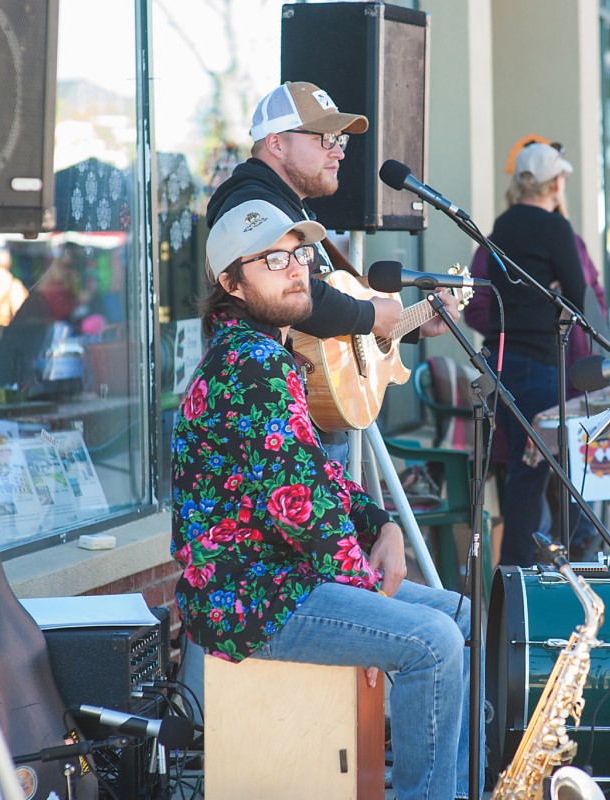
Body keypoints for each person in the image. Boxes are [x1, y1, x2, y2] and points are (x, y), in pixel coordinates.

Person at [171, 200, 472, 799]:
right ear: (230, 283)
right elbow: (300, 509)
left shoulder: (270, 356)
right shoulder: (248, 365)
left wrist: (383, 524)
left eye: (300, 254)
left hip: (290, 576)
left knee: (461, 617)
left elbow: (318, 477)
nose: (296, 270)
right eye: (274, 260)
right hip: (251, 596)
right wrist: (367, 591)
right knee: (434, 643)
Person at [204, 81, 452, 461]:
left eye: (340, 139)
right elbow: (300, 294)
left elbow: (330, 305)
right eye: (324, 138)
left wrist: (410, 324)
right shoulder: (253, 209)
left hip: (308, 406)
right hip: (276, 415)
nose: (338, 152)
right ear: (276, 143)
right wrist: (370, 316)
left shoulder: (291, 209)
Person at [478, 141, 587, 567]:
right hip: (539, 365)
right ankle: (519, 583)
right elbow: (576, 295)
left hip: (499, 363)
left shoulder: (501, 225)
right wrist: (556, 294)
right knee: (534, 473)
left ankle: (519, 575)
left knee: (523, 474)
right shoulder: (556, 228)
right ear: (556, 183)